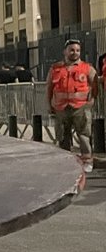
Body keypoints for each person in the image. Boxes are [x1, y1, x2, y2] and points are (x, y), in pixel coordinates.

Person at [46, 38, 97, 173]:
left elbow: (95, 87)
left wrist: (90, 103)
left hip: (81, 108)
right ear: (65, 52)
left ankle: (87, 161)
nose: (75, 53)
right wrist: (49, 105)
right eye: (72, 50)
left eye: (78, 50)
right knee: (62, 136)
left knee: (84, 136)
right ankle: (66, 162)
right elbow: (49, 88)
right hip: (61, 108)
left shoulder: (87, 68)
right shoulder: (55, 69)